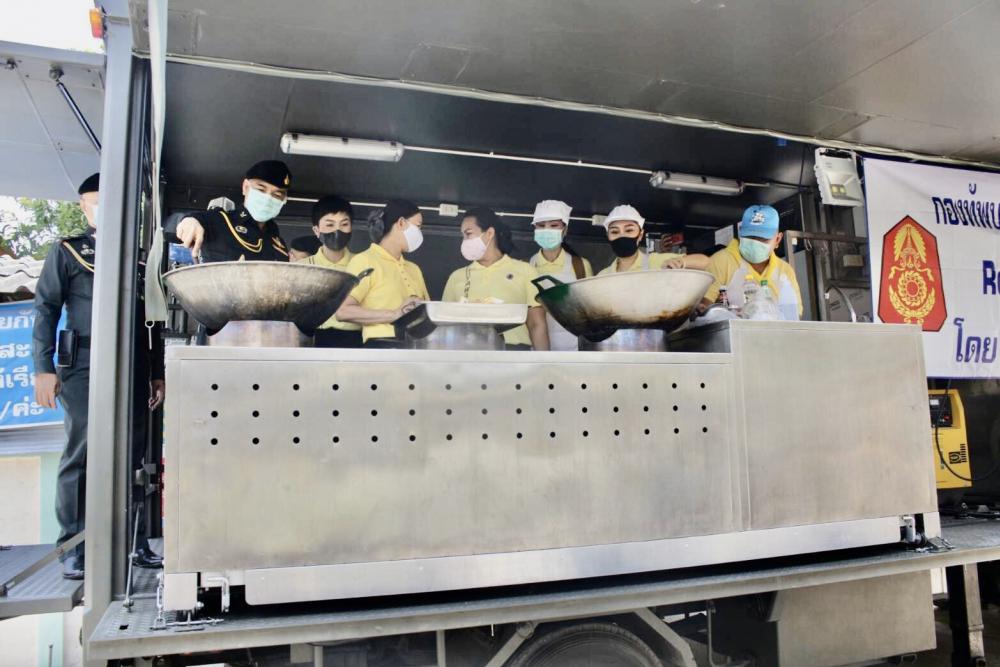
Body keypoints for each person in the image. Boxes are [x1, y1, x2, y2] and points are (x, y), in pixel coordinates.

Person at [33, 173, 165, 580]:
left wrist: (157, 373)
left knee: (134, 455)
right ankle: (74, 546)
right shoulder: (68, 251)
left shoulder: (141, 260)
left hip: (135, 364)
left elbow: (153, 322)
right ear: (83, 206)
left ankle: (135, 541)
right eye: (97, 199)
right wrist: (42, 368)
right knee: (83, 452)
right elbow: (46, 309)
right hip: (84, 364)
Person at [442, 207, 550, 351]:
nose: (464, 240)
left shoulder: (525, 271)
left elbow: (537, 324)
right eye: (463, 236)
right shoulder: (456, 277)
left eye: (468, 234)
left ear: (489, 233)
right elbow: (445, 327)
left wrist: (544, 361)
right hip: (468, 354)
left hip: (514, 354)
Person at [337, 199, 429, 347]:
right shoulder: (365, 260)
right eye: (418, 226)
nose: (420, 232)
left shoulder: (414, 269)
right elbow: (343, 311)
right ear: (401, 223)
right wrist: (395, 314)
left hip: (416, 347)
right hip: (381, 346)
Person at [170, 160, 292, 262]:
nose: (268, 198)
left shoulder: (279, 243)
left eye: (277, 195)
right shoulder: (218, 221)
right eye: (261, 189)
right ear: (246, 187)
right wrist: (186, 221)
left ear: (284, 200)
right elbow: (170, 226)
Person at [701, 204, 802, 318]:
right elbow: (704, 308)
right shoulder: (721, 261)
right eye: (750, 236)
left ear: (777, 239)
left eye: (763, 238)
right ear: (740, 232)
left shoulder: (785, 271)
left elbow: (794, 315)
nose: (755, 243)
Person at [528, 200, 593, 351]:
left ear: (565, 229)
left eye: (554, 225)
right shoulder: (527, 268)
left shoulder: (581, 266)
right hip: (538, 351)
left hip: (575, 350)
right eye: (541, 225)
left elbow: (590, 311)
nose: (547, 230)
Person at [300, 196, 363, 348]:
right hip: (315, 342)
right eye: (329, 225)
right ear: (316, 230)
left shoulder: (363, 264)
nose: (337, 230)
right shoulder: (302, 268)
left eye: (344, 224)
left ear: (351, 227)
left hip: (357, 342)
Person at [597, 205, 710, 275]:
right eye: (615, 232)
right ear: (608, 236)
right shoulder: (602, 276)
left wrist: (681, 262)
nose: (622, 236)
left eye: (629, 230)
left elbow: (706, 262)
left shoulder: (656, 261)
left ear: (640, 235)